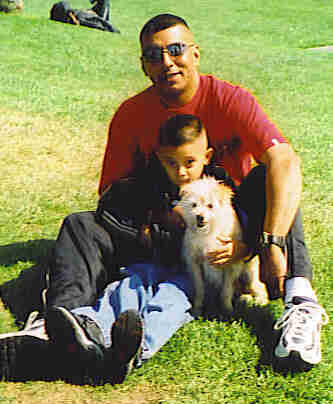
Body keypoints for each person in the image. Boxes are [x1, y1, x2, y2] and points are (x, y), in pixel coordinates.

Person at [1, 14, 328, 382]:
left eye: (176, 50)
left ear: (196, 53)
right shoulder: (131, 114)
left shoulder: (230, 99)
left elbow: (284, 160)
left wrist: (261, 242)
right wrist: (154, 219)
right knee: (80, 226)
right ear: (143, 65)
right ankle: (61, 327)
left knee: (277, 175)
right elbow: (111, 195)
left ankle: (300, 304)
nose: (167, 62)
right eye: (154, 55)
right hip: (161, 231)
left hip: (230, 227)